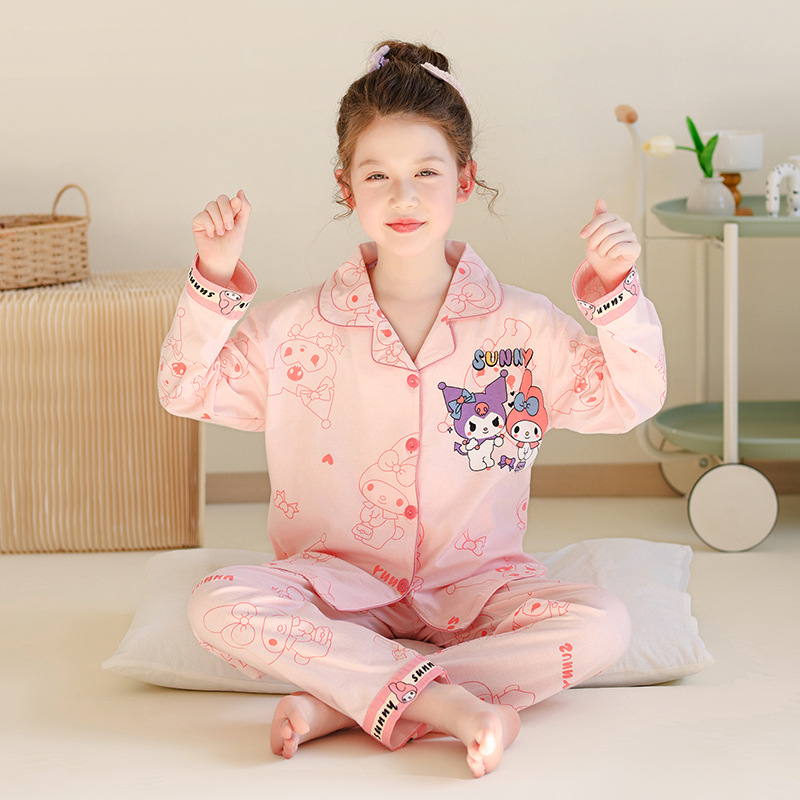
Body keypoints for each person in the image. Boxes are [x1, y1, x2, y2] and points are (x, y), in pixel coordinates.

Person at [158, 40, 666, 778]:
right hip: (335, 588)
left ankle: (347, 701)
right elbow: (186, 387)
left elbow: (631, 396)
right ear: (346, 187)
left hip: (481, 587)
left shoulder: (523, 327)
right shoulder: (294, 327)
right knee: (215, 605)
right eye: (378, 175)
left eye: (427, 172)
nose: (404, 197)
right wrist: (213, 274)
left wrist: (616, 292)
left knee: (603, 626)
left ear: (465, 178)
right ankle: (449, 705)